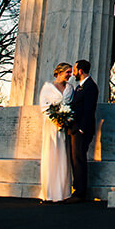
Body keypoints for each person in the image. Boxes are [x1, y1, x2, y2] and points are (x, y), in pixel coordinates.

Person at [38, 62, 74, 203]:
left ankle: (63, 192)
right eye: (68, 72)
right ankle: (50, 192)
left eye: (71, 72)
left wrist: (66, 120)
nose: (70, 75)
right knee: (51, 155)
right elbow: (44, 107)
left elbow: (71, 106)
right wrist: (55, 120)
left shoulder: (70, 88)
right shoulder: (48, 88)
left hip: (65, 127)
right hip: (51, 127)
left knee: (63, 157)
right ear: (59, 72)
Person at [65, 59, 98, 203]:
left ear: (80, 71)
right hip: (75, 129)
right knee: (76, 159)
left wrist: (81, 129)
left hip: (82, 130)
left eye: (74, 70)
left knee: (79, 160)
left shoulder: (90, 86)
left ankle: (80, 193)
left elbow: (89, 110)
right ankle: (77, 189)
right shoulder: (80, 87)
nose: (73, 73)